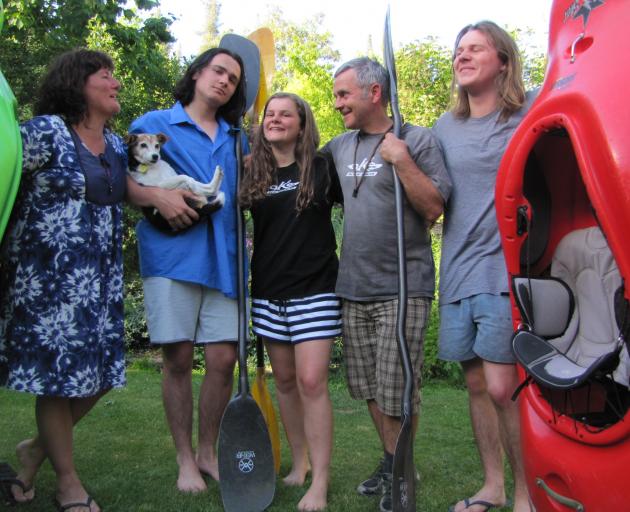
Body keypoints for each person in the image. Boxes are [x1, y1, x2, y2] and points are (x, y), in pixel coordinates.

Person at [322, 57, 452, 512]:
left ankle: (400, 476)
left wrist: (401, 161)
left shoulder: (416, 140)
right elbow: (294, 173)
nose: (337, 103)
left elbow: (434, 206)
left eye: (343, 94)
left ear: (374, 92)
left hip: (404, 285)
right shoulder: (339, 147)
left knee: (397, 389)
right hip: (352, 286)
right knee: (369, 389)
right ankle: (395, 460)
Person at [0, 49, 126, 512]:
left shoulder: (115, 146)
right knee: (57, 381)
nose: (116, 83)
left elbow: (132, 189)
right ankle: (68, 482)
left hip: (100, 281)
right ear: (78, 84)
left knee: (104, 373)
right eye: (106, 75)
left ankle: (35, 449)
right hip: (48, 278)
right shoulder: (45, 133)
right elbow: (4, 175)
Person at [125, 47, 247, 493]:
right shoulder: (154, 125)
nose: (223, 81)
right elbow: (122, 179)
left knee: (223, 358)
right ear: (197, 74)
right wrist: (155, 198)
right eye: (218, 71)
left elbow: (247, 189)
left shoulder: (237, 137)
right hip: (172, 257)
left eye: (232, 79)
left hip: (225, 259)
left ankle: (207, 451)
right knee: (177, 358)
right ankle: (184, 460)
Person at [432, 21, 536, 512]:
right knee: (475, 384)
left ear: (503, 61)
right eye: (459, 49)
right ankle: (492, 486)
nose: (463, 55)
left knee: (502, 385)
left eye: (475, 48)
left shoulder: (527, 112)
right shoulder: (444, 128)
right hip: (456, 270)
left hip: (505, 270)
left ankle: (526, 492)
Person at [240, 92, 342, 511]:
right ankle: (298, 463)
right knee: (284, 382)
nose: (276, 119)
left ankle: (320, 479)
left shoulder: (321, 168)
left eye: (287, 114)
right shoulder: (253, 172)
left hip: (316, 289)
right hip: (268, 291)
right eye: (271, 114)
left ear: (302, 125)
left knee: (312, 382)